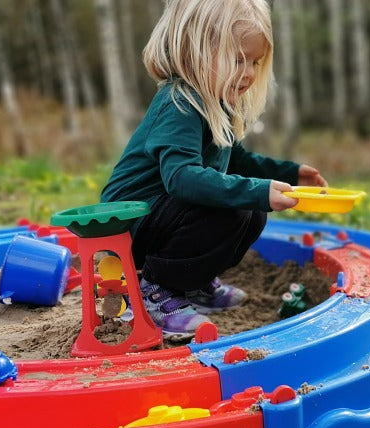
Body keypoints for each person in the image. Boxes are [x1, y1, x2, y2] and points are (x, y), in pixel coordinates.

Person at [100, 0, 327, 339]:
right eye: (238, 59)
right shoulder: (180, 102)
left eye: (255, 61)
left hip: (159, 216)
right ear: (197, 52)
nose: (249, 72)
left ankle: (191, 283)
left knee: (250, 210)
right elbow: (181, 178)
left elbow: (237, 161)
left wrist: (290, 174)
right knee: (229, 209)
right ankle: (155, 291)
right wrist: (253, 191)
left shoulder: (213, 105)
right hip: (127, 221)